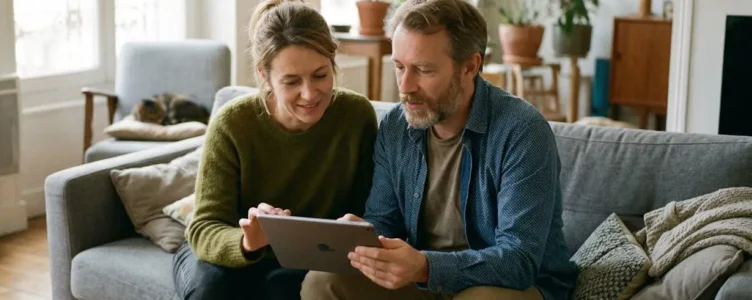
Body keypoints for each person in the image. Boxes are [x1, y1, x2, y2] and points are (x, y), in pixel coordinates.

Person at [301, 0, 578, 299]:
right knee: (323, 282)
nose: (405, 86)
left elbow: (518, 261)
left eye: (423, 70)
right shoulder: (396, 126)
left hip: (511, 286)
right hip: (425, 280)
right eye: (399, 67)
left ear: (469, 67)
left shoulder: (522, 131)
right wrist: (365, 236)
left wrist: (425, 266)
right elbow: (385, 221)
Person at [172, 0, 379, 299]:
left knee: (284, 291)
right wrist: (248, 240)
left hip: (302, 261)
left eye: (321, 75)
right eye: (292, 81)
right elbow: (204, 228)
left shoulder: (356, 116)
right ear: (265, 75)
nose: (309, 94)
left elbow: (367, 212)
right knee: (211, 292)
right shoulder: (233, 123)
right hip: (224, 255)